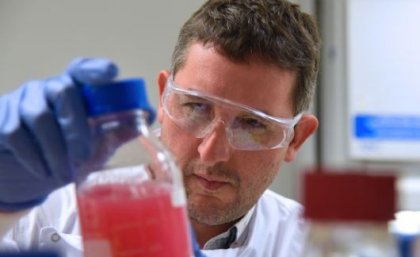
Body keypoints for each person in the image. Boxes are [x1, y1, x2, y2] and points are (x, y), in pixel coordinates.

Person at [0, 0, 321, 256]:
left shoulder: (319, 246)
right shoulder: (47, 209)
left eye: (253, 123)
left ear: (296, 138)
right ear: (164, 97)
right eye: (196, 107)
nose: (211, 152)